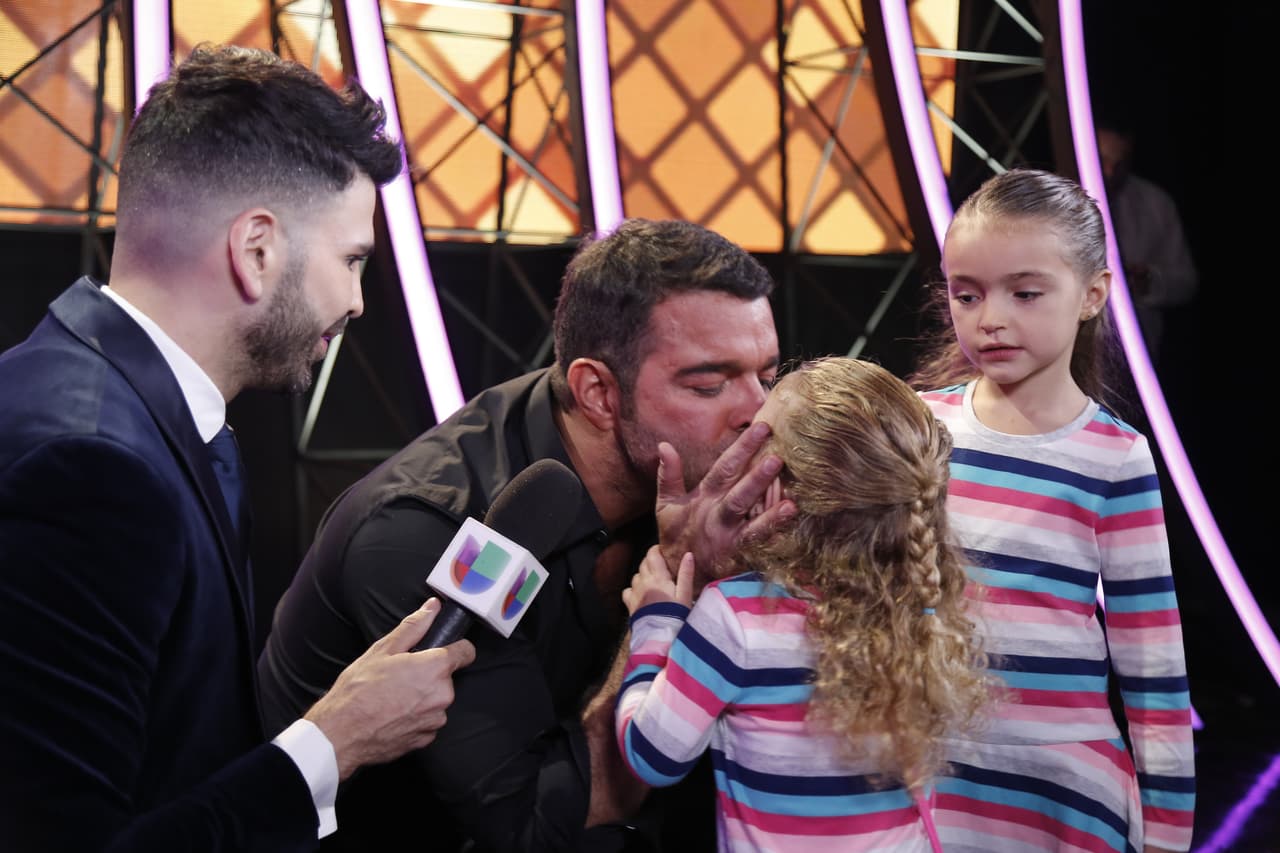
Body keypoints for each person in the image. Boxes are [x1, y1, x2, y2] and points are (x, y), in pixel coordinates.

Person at [0, 44, 477, 853]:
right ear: (257, 250)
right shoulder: (89, 468)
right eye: (353, 259)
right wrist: (334, 741)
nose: (359, 302)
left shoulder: (145, 413)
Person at [256, 217, 793, 852]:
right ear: (597, 393)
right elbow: (536, 828)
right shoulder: (432, 529)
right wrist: (687, 578)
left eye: (767, 375)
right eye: (709, 384)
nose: (757, 411)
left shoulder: (724, 488)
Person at [908, 167, 1196, 852]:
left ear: (1093, 293)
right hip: (934, 784)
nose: (991, 318)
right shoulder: (918, 430)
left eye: (1026, 291)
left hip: (1064, 792)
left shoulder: (1115, 458)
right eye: (966, 293)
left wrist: (1168, 832)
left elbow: (1152, 661)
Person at [614, 355, 993, 852]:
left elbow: (651, 757)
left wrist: (656, 625)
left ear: (775, 486)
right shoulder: (925, 600)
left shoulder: (738, 617)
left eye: (755, 440)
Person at [1094, 117, 1199, 365]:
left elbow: (1186, 282)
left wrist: (1149, 281)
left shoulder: (1155, 203)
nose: (1110, 171)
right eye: (1103, 161)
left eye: (1119, 162)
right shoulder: (1058, 205)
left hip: (1137, 356)